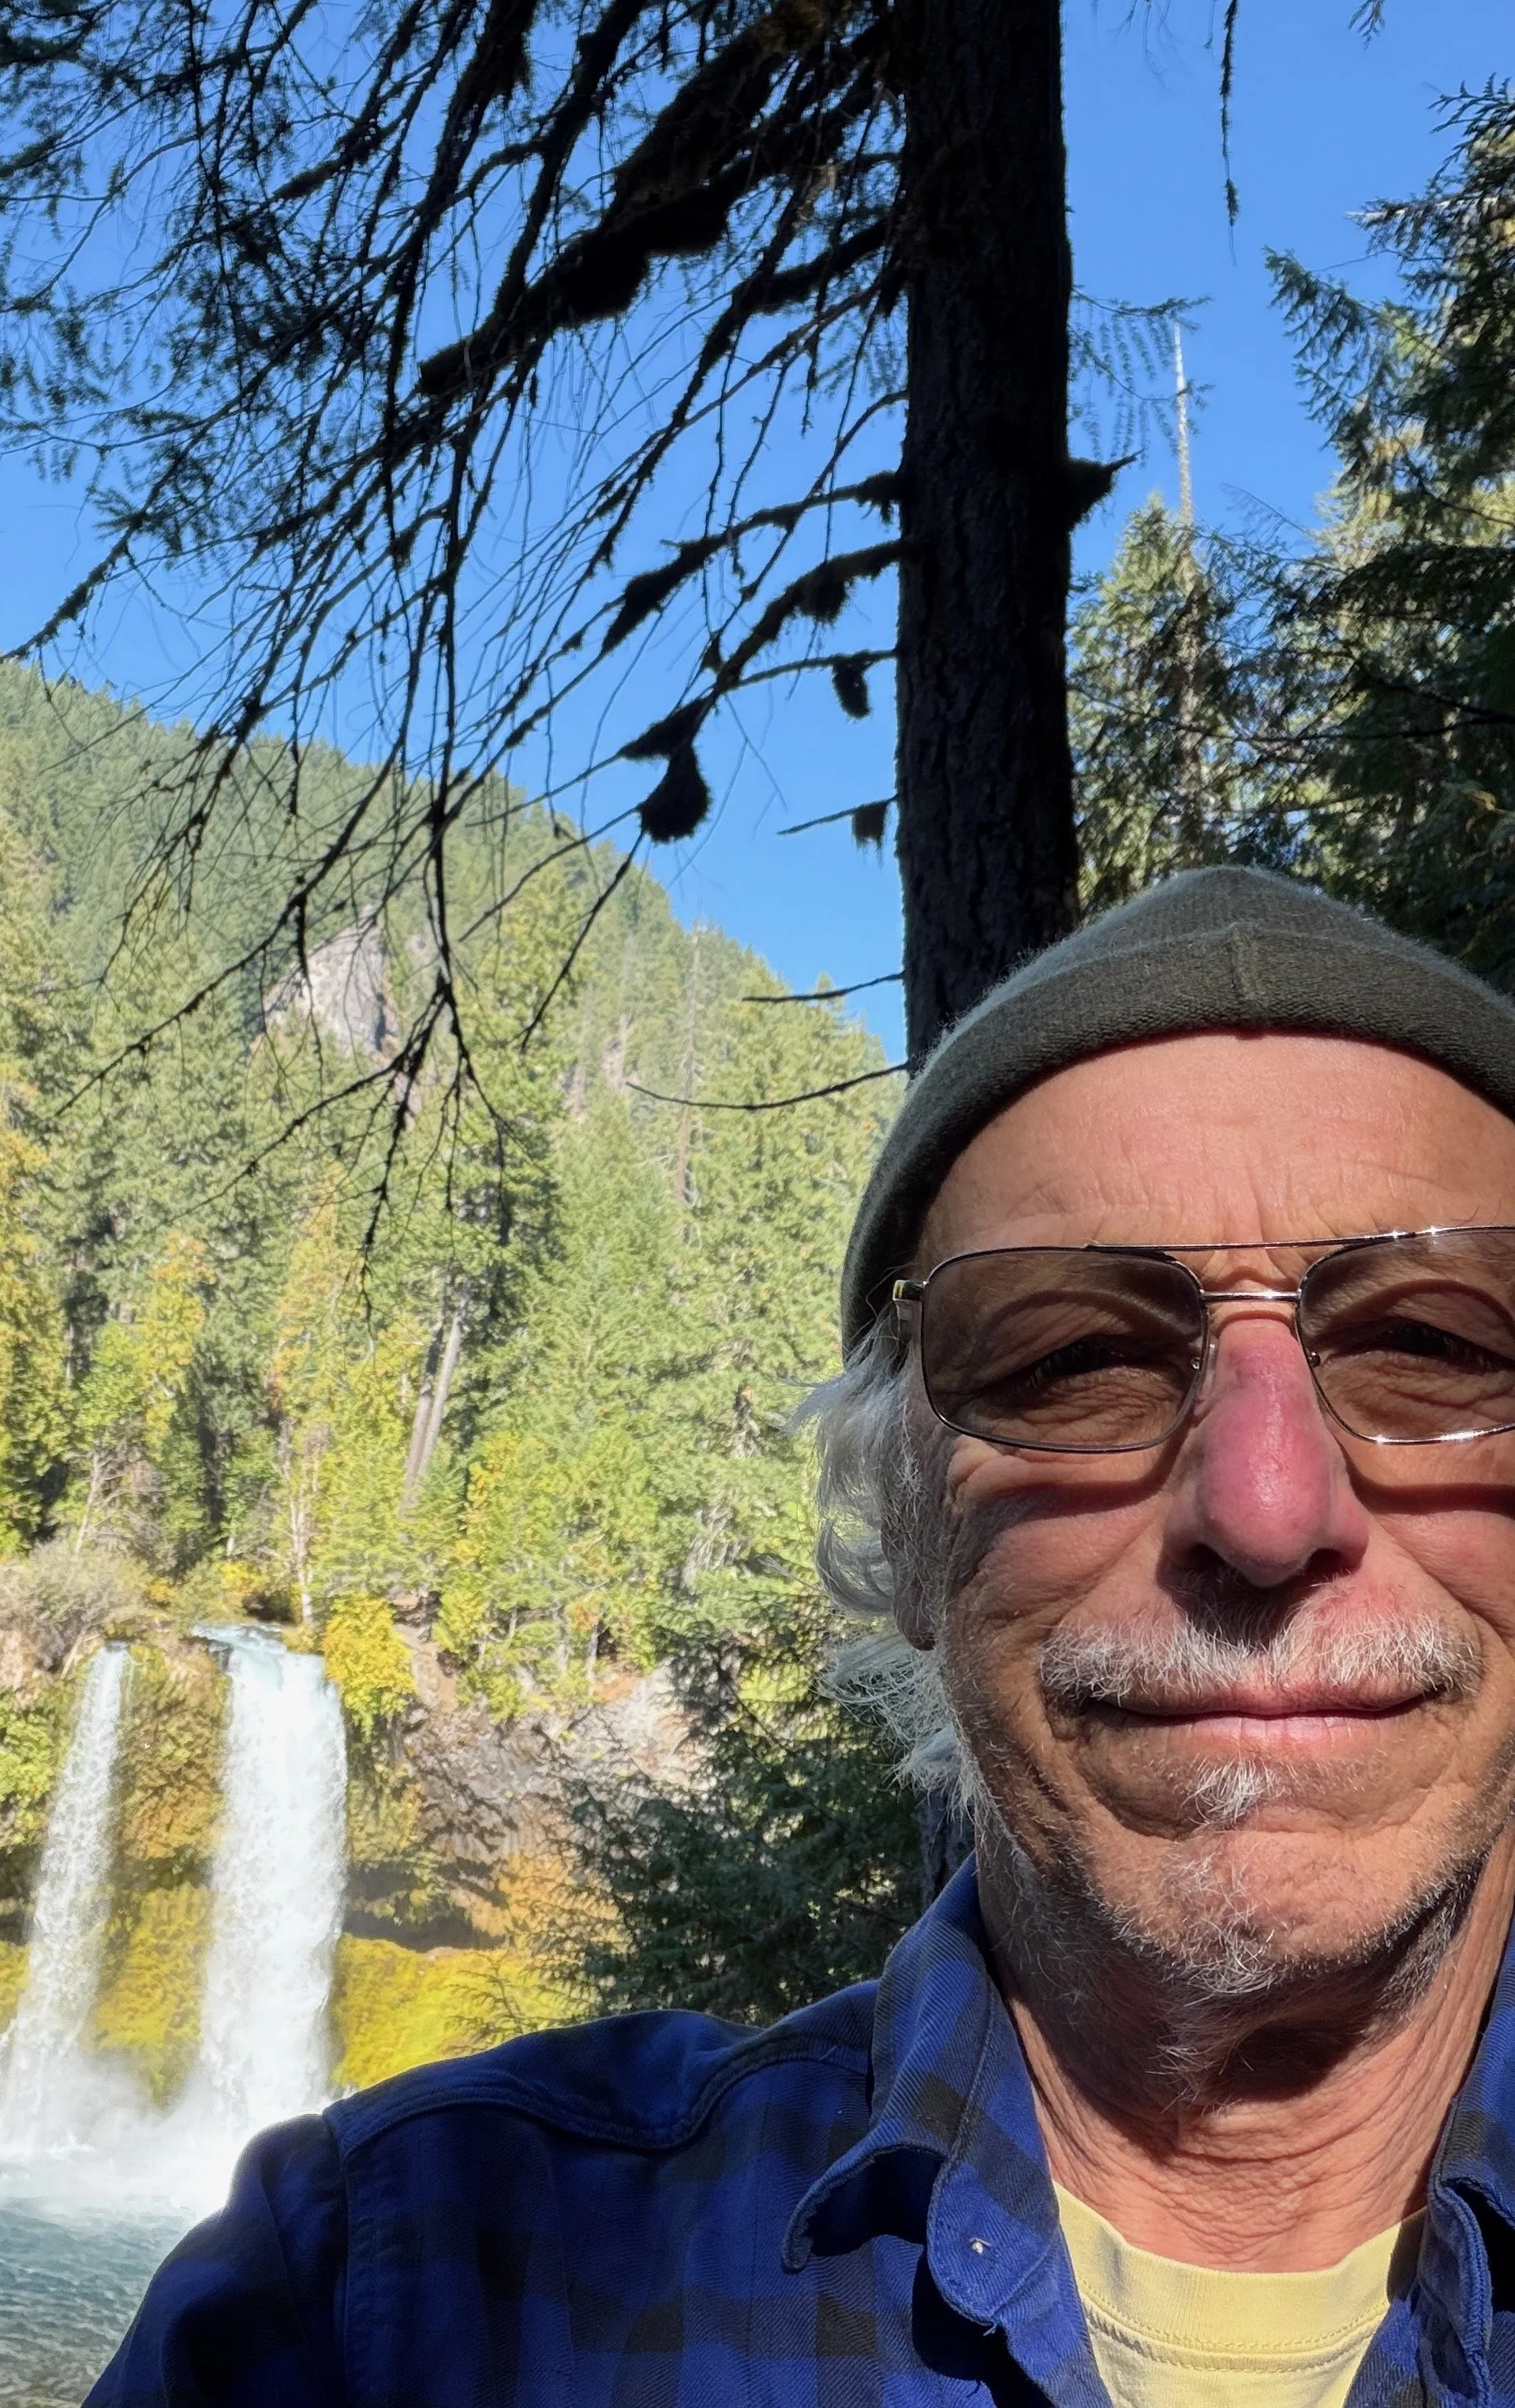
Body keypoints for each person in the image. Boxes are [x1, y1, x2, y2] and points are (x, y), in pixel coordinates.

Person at [87, 866, 1515, 2406]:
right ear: (902, 1528)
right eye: (1075, 1359)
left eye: (1433, 1347)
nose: (1263, 1506)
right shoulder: (380, 2299)